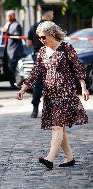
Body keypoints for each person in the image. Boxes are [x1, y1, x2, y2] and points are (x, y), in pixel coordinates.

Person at [17, 21, 89, 169]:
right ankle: (69, 158)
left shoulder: (66, 48)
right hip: (50, 94)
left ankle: (50, 158)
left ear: (52, 34)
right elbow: (36, 72)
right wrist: (24, 88)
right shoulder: (42, 52)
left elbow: (78, 68)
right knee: (60, 128)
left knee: (56, 127)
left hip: (65, 93)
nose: (42, 40)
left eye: (44, 37)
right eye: (39, 38)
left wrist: (83, 87)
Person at [26, 5, 54, 118]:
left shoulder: (34, 27)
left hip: (38, 56)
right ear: (47, 14)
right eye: (52, 14)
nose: (53, 16)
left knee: (38, 83)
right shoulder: (52, 27)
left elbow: (28, 43)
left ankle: (35, 109)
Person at [1, 10, 24, 88]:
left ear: (12, 16)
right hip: (8, 49)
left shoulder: (17, 25)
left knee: (13, 67)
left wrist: (7, 32)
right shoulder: (8, 24)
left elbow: (17, 36)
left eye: (8, 16)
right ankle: (12, 83)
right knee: (9, 67)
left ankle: (15, 83)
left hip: (15, 50)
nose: (7, 17)